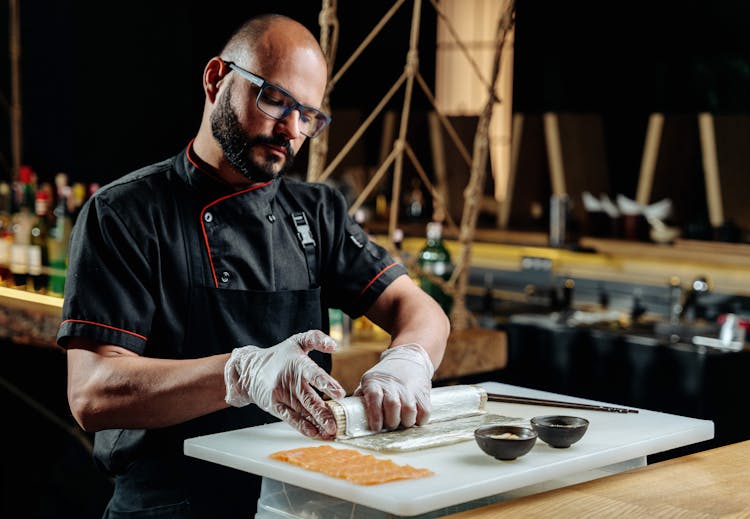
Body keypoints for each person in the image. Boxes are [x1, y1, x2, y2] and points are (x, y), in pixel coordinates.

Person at [58, 12, 449, 518]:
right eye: (275, 100)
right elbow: (92, 394)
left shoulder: (317, 212)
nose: (290, 129)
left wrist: (408, 361)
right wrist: (240, 373)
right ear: (216, 79)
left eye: (308, 114)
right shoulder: (124, 214)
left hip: (295, 500)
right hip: (169, 504)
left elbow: (418, 308)